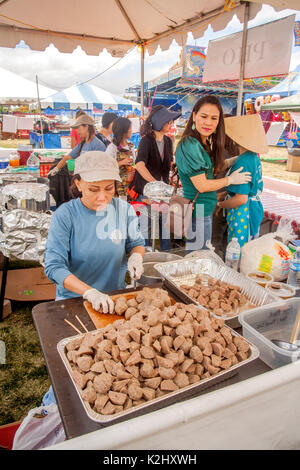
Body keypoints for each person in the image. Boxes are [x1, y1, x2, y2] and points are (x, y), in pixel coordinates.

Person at [44, 151, 145, 311]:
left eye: (109, 188)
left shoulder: (124, 210)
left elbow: (136, 243)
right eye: (93, 189)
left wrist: (136, 257)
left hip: (113, 297)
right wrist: (89, 292)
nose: (102, 197)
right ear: (78, 184)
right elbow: (54, 267)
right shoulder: (65, 215)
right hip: (74, 300)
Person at [175, 95, 252, 252]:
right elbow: (202, 185)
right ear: (194, 116)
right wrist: (230, 180)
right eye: (204, 116)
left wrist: (237, 159)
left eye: (214, 118)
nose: (208, 122)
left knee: (199, 256)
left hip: (204, 209)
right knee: (198, 259)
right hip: (199, 209)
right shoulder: (190, 144)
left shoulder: (201, 142)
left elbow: (210, 171)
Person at [128, 105, 181, 251]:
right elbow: (139, 165)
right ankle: (143, 259)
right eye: (168, 121)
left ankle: (166, 255)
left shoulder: (169, 141)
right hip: (146, 192)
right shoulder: (146, 141)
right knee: (146, 227)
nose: (171, 124)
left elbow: (167, 165)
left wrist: (176, 166)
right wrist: (156, 184)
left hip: (162, 194)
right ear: (159, 121)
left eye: (172, 121)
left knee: (164, 226)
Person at [217, 114, 267, 247]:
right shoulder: (253, 157)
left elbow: (241, 199)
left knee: (237, 252)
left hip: (243, 214)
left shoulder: (243, 161)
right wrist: (222, 195)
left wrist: (220, 204)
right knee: (248, 249)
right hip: (254, 209)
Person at [211, 114, 240, 260]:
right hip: (229, 200)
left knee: (215, 239)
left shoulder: (221, 152)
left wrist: (219, 199)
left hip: (219, 199)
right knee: (225, 240)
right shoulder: (238, 152)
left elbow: (217, 177)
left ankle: (217, 266)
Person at [106, 117, 135, 198]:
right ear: (123, 130)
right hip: (118, 188)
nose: (131, 130)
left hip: (130, 186)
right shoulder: (112, 147)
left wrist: (134, 167)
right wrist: (121, 163)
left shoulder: (130, 146)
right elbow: (105, 166)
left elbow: (135, 163)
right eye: (130, 128)